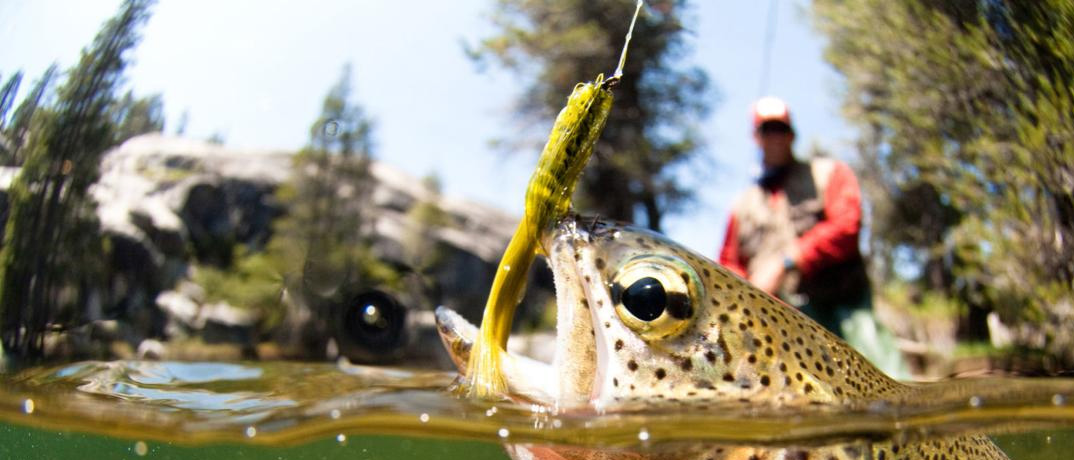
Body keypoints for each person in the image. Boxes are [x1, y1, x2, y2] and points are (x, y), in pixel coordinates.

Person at [718, 96, 908, 378]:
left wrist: (788, 261)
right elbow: (728, 264)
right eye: (767, 130)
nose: (775, 137)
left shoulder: (829, 173)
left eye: (780, 129)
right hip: (781, 328)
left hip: (845, 310)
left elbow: (847, 227)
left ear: (792, 134)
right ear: (756, 137)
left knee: (886, 381)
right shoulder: (741, 206)